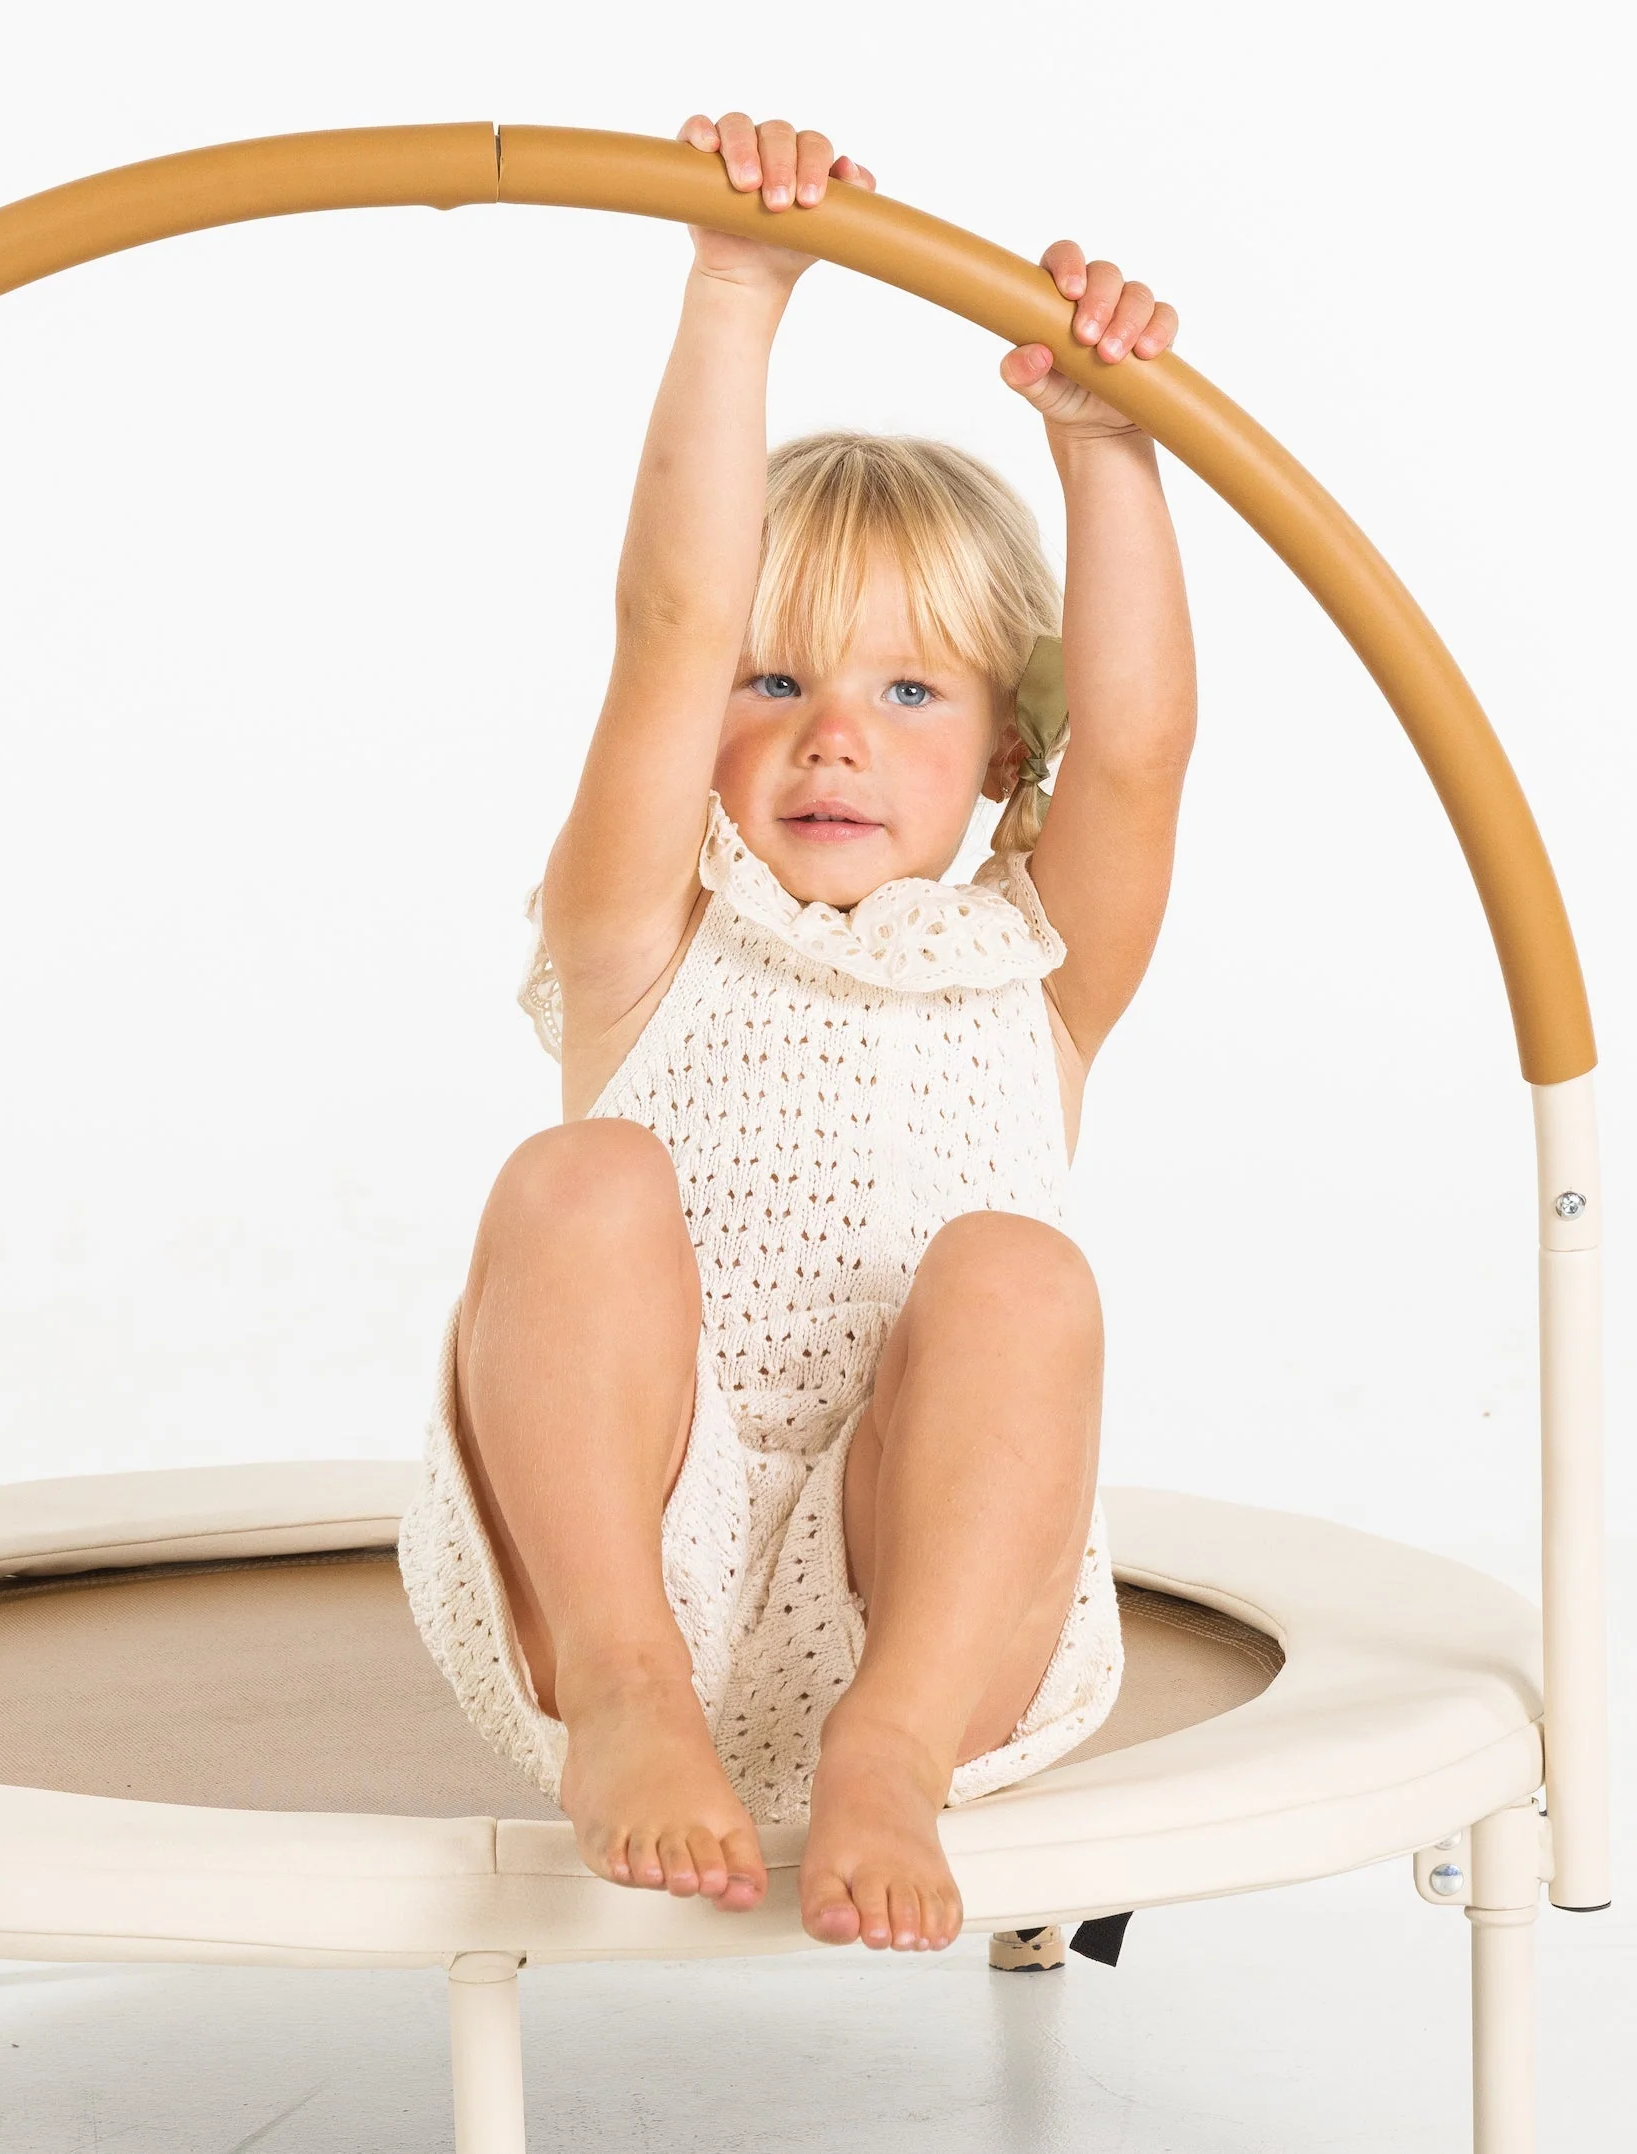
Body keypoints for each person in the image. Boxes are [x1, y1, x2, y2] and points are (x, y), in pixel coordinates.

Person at [399, 111, 1194, 1955]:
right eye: (781, 682)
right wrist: (737, 288)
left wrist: (1107, 440)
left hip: (930, 1591)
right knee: (580, 1177)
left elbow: (1141, 747)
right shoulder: (644, 927)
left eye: (909, 689)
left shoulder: (1043, 961)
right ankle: (627, 1694)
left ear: (1008, 752)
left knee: (1021, 1277)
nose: (833, 734)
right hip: (617, 1567)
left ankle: (888, 1753)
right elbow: (666, 621)